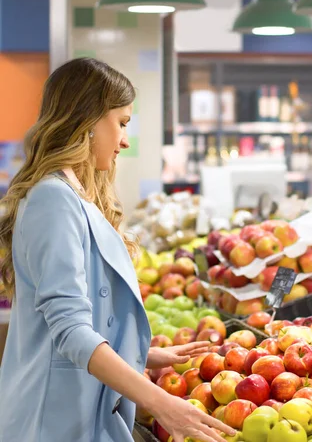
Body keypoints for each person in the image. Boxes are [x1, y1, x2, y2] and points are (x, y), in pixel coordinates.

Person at [0, 58, 236, 442]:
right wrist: (162, 403)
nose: (125, 140)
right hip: (51, 420)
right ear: (88, 120)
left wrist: (142, 353)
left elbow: (87, 312)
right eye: (122, 123)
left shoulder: (72, 194)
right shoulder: (52, 200)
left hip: (73, 408)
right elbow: (71, 330)